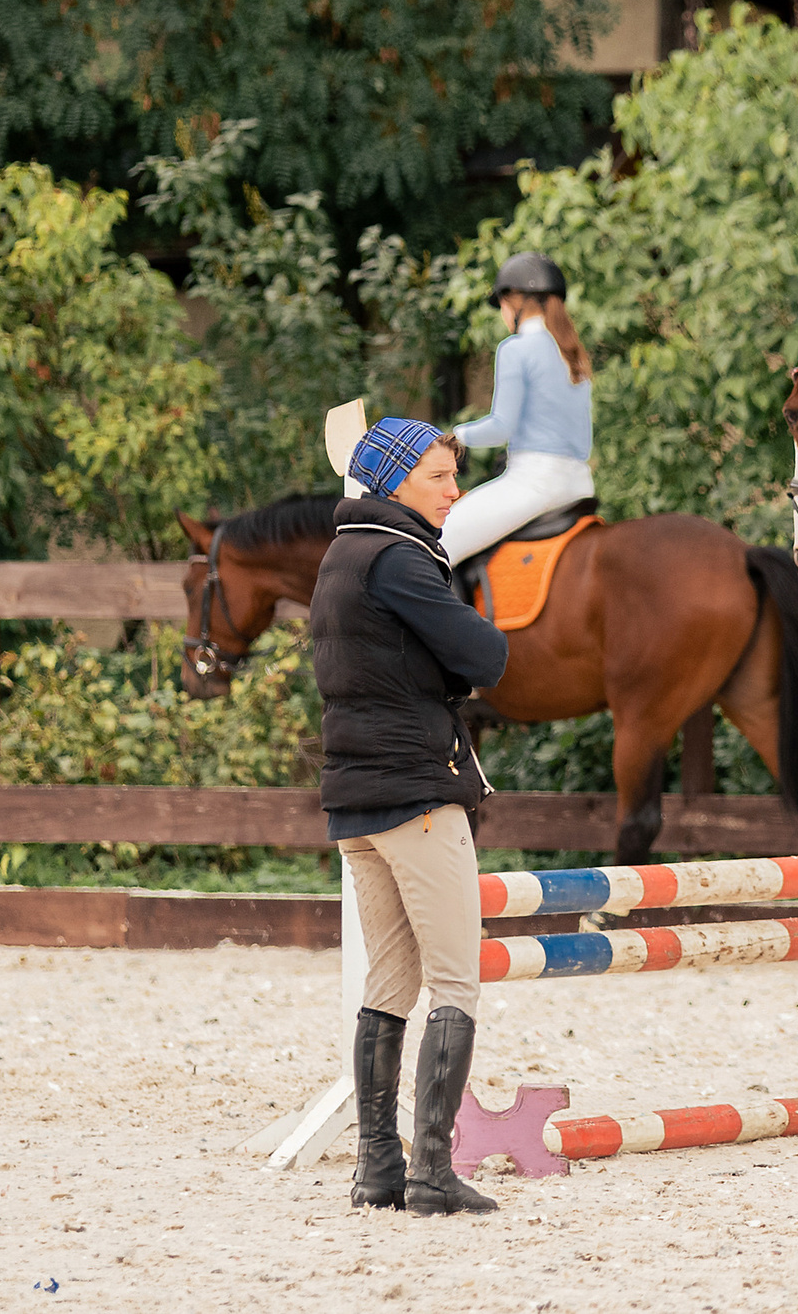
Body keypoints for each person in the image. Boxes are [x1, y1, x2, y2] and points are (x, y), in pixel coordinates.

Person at [314, 416, 511, 1216]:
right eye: (439, 476)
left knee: (388, 982)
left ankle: (377, 1168)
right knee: (456, 981)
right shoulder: (400, 558)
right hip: (420, 798)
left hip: (356, 806)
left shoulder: (341, 553)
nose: (455, 490)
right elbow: (486, 655)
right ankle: (432, 1170)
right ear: (396, 479)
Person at [441, 251, 598, 565]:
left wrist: (455, 436)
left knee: (439, 540)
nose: (501, 311)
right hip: (579, 484)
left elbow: (502, 427)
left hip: (535, 483)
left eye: (501, 302)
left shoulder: (515, 349)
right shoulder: (574, 355)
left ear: (516, 300)